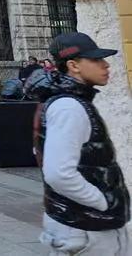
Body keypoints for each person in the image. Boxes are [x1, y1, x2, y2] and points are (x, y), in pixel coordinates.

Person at [26, 32, 130, 255]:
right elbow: (58, 173)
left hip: (83, 224)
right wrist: (101, 202)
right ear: (74, 65)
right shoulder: (69, 107)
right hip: (86, 229)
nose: (106, 65)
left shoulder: (66, 101)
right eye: (95, 60)